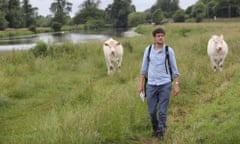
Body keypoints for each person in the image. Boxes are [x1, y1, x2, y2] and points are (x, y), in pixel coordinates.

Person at [138, 27, 180, 140]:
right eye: (158, 36)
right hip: (151, 85)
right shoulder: (148, 50)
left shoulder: (168, 50)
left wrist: (176, 85)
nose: (161, 37)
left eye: (162, 35)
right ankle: (156, 128)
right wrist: (140, 85)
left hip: (165, 84)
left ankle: (161, 131)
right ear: (154, 37)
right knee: (152, 112)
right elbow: (144, 69)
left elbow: (175, 70)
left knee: (162, 111)